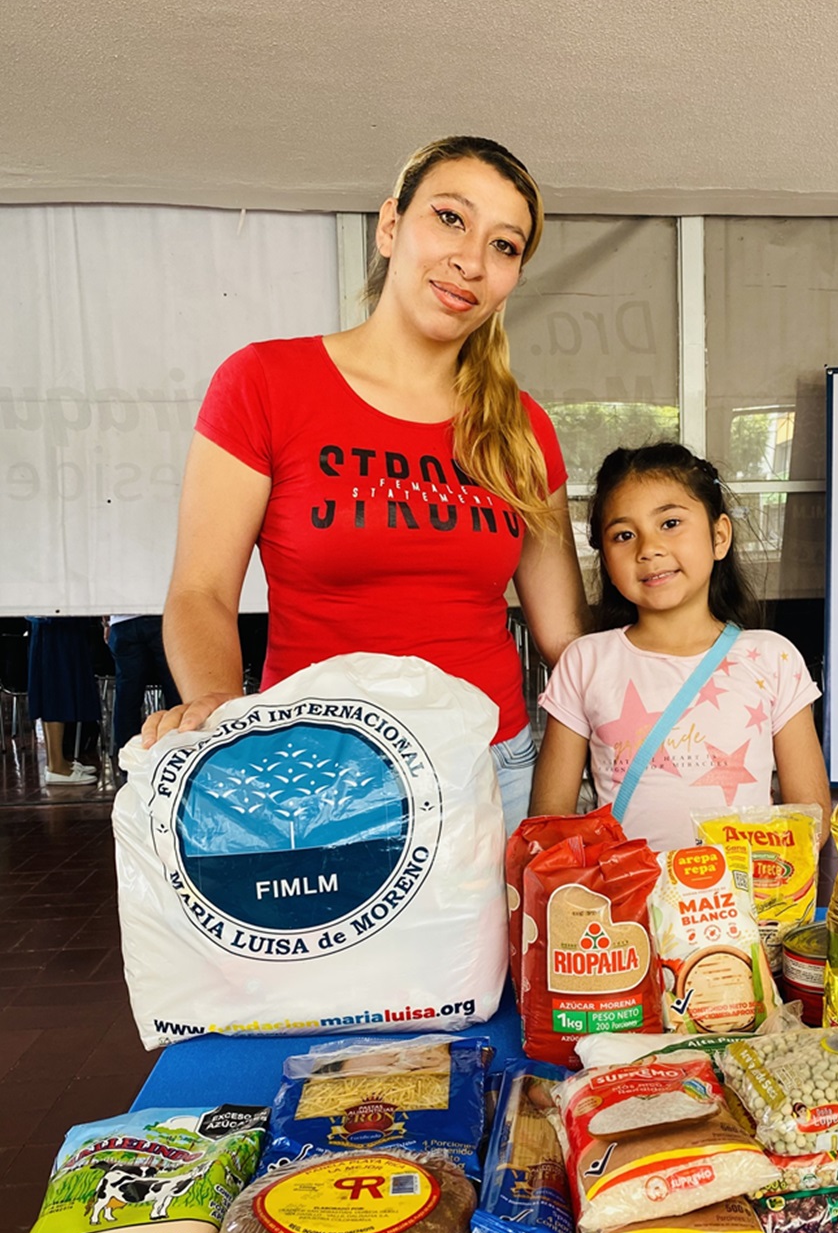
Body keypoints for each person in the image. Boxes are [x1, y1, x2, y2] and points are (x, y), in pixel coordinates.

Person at [141, 135, 587, 832]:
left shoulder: (522, 426)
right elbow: (200, 592)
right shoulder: (264, 383)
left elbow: (566, 638)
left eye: (505, 246)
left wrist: (693, 654)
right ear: (389, 226)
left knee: (491, 950)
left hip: (488, 769)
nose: (470, 260)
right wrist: (219, 709)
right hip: (317, 769)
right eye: (449, 218)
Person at [529, 442, 831, 851]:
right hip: (627, 907)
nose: (648, 549)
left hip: (738, 907)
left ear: (719, 536)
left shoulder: (771, 658)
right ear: (605, 559)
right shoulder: (586, 662)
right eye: (624, 535)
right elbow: (549, 826)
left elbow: (811, 822)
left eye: (670, 523)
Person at [26, 616, 102, 785]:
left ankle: (56, 761)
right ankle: (57, 767)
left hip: (53, 623)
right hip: (55, 623)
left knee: (53, 692)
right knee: (55, 693)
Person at [105, 615, 181, 757]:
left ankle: (128, 758)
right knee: (175, 688)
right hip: (162, 615)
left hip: (121, 621)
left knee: (127, 698)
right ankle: (177, 753)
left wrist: (106, 623)